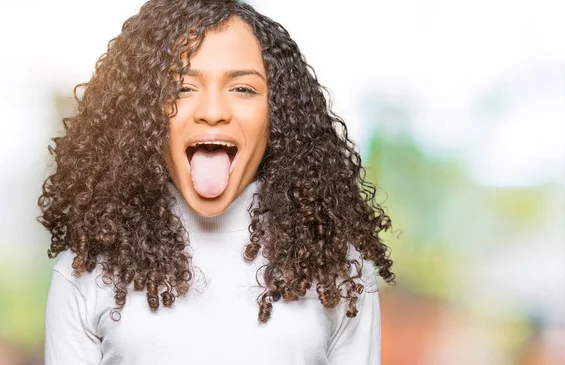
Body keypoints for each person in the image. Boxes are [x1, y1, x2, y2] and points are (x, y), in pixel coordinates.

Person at [38, 0, 395, 364]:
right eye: (181, 88)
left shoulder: (339, 267)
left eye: (242, 89)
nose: (212, 112)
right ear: (141, 113)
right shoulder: (85, 270)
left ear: (280, 114)